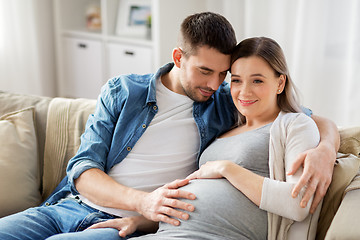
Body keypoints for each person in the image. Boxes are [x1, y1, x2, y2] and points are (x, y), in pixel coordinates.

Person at [0, 12, 338, 240]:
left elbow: (296, 114)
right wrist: (143, 203)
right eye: (206, 71)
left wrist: (324, 148)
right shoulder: (125, 91)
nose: (217, 83)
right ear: (179, 58)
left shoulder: (226, 100)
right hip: (68, 205)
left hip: (121, 227)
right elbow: (83, 169)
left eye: (224, 74)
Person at [98, 36, 327, 239]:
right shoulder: (223, 127)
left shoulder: (293, 125)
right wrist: (140, 221)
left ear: (280, 83)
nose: (244, 91)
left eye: (257, 80)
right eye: (236, 80)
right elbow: (194, 200)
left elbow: (298, 204)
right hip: (164, 231)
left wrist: (227, 169)